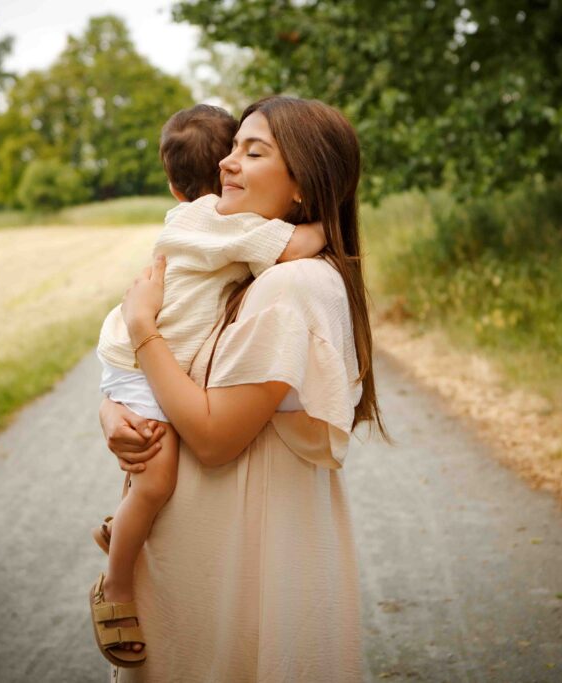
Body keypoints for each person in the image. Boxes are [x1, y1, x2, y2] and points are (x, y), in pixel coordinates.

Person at [97, 96, 386, 682]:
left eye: (253, 152)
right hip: (194, 568)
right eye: (232, 147)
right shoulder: (244, 271)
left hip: (233, 577)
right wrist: (113, 411)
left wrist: (142, 328)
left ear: (304, 184)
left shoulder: (292, 285)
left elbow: (210, 438)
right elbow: (185, 371)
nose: (227, 163)